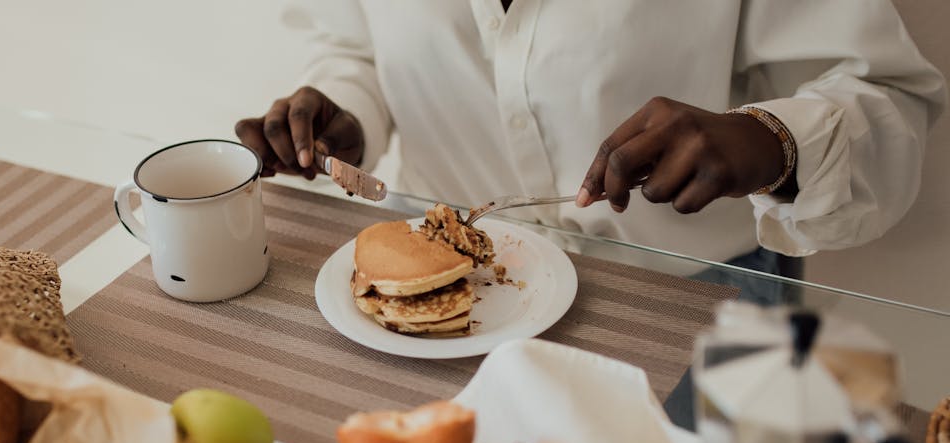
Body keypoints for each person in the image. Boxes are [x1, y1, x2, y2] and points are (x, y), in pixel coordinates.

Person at [235, 0, 945, 278]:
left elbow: (891, 97)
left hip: (694, 298)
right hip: (444, 285)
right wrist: (349, 109)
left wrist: (769, 142)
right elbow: (353, 43)